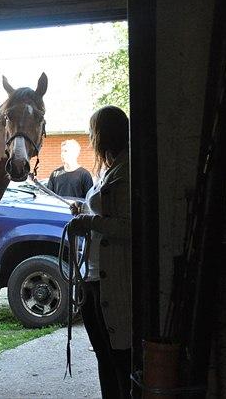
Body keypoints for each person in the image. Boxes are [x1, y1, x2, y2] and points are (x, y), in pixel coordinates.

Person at [68, 106, 131, 399]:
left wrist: (89, 221)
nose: (92, 138)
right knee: (105, 358)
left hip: (112, 280)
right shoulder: (111, 168)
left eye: (94, 131)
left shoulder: (128, 169)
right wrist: (84, 210)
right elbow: (106, 211)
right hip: (93, 278)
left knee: (117, 359)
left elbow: (132, 227)